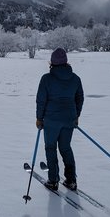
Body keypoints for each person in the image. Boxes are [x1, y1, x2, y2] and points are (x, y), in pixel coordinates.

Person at [36, 48, 84, 191]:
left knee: (50, 148)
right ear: (66, 62)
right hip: (69, 119)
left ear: (52, 62)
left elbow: (41, 100)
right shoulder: (75, 79)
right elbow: (79, 99)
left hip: (51, 120)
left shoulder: (46, 79)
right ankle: (71, 180)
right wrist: (76, 116)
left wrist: (39, 118)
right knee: (65, 148)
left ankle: (53, 180)